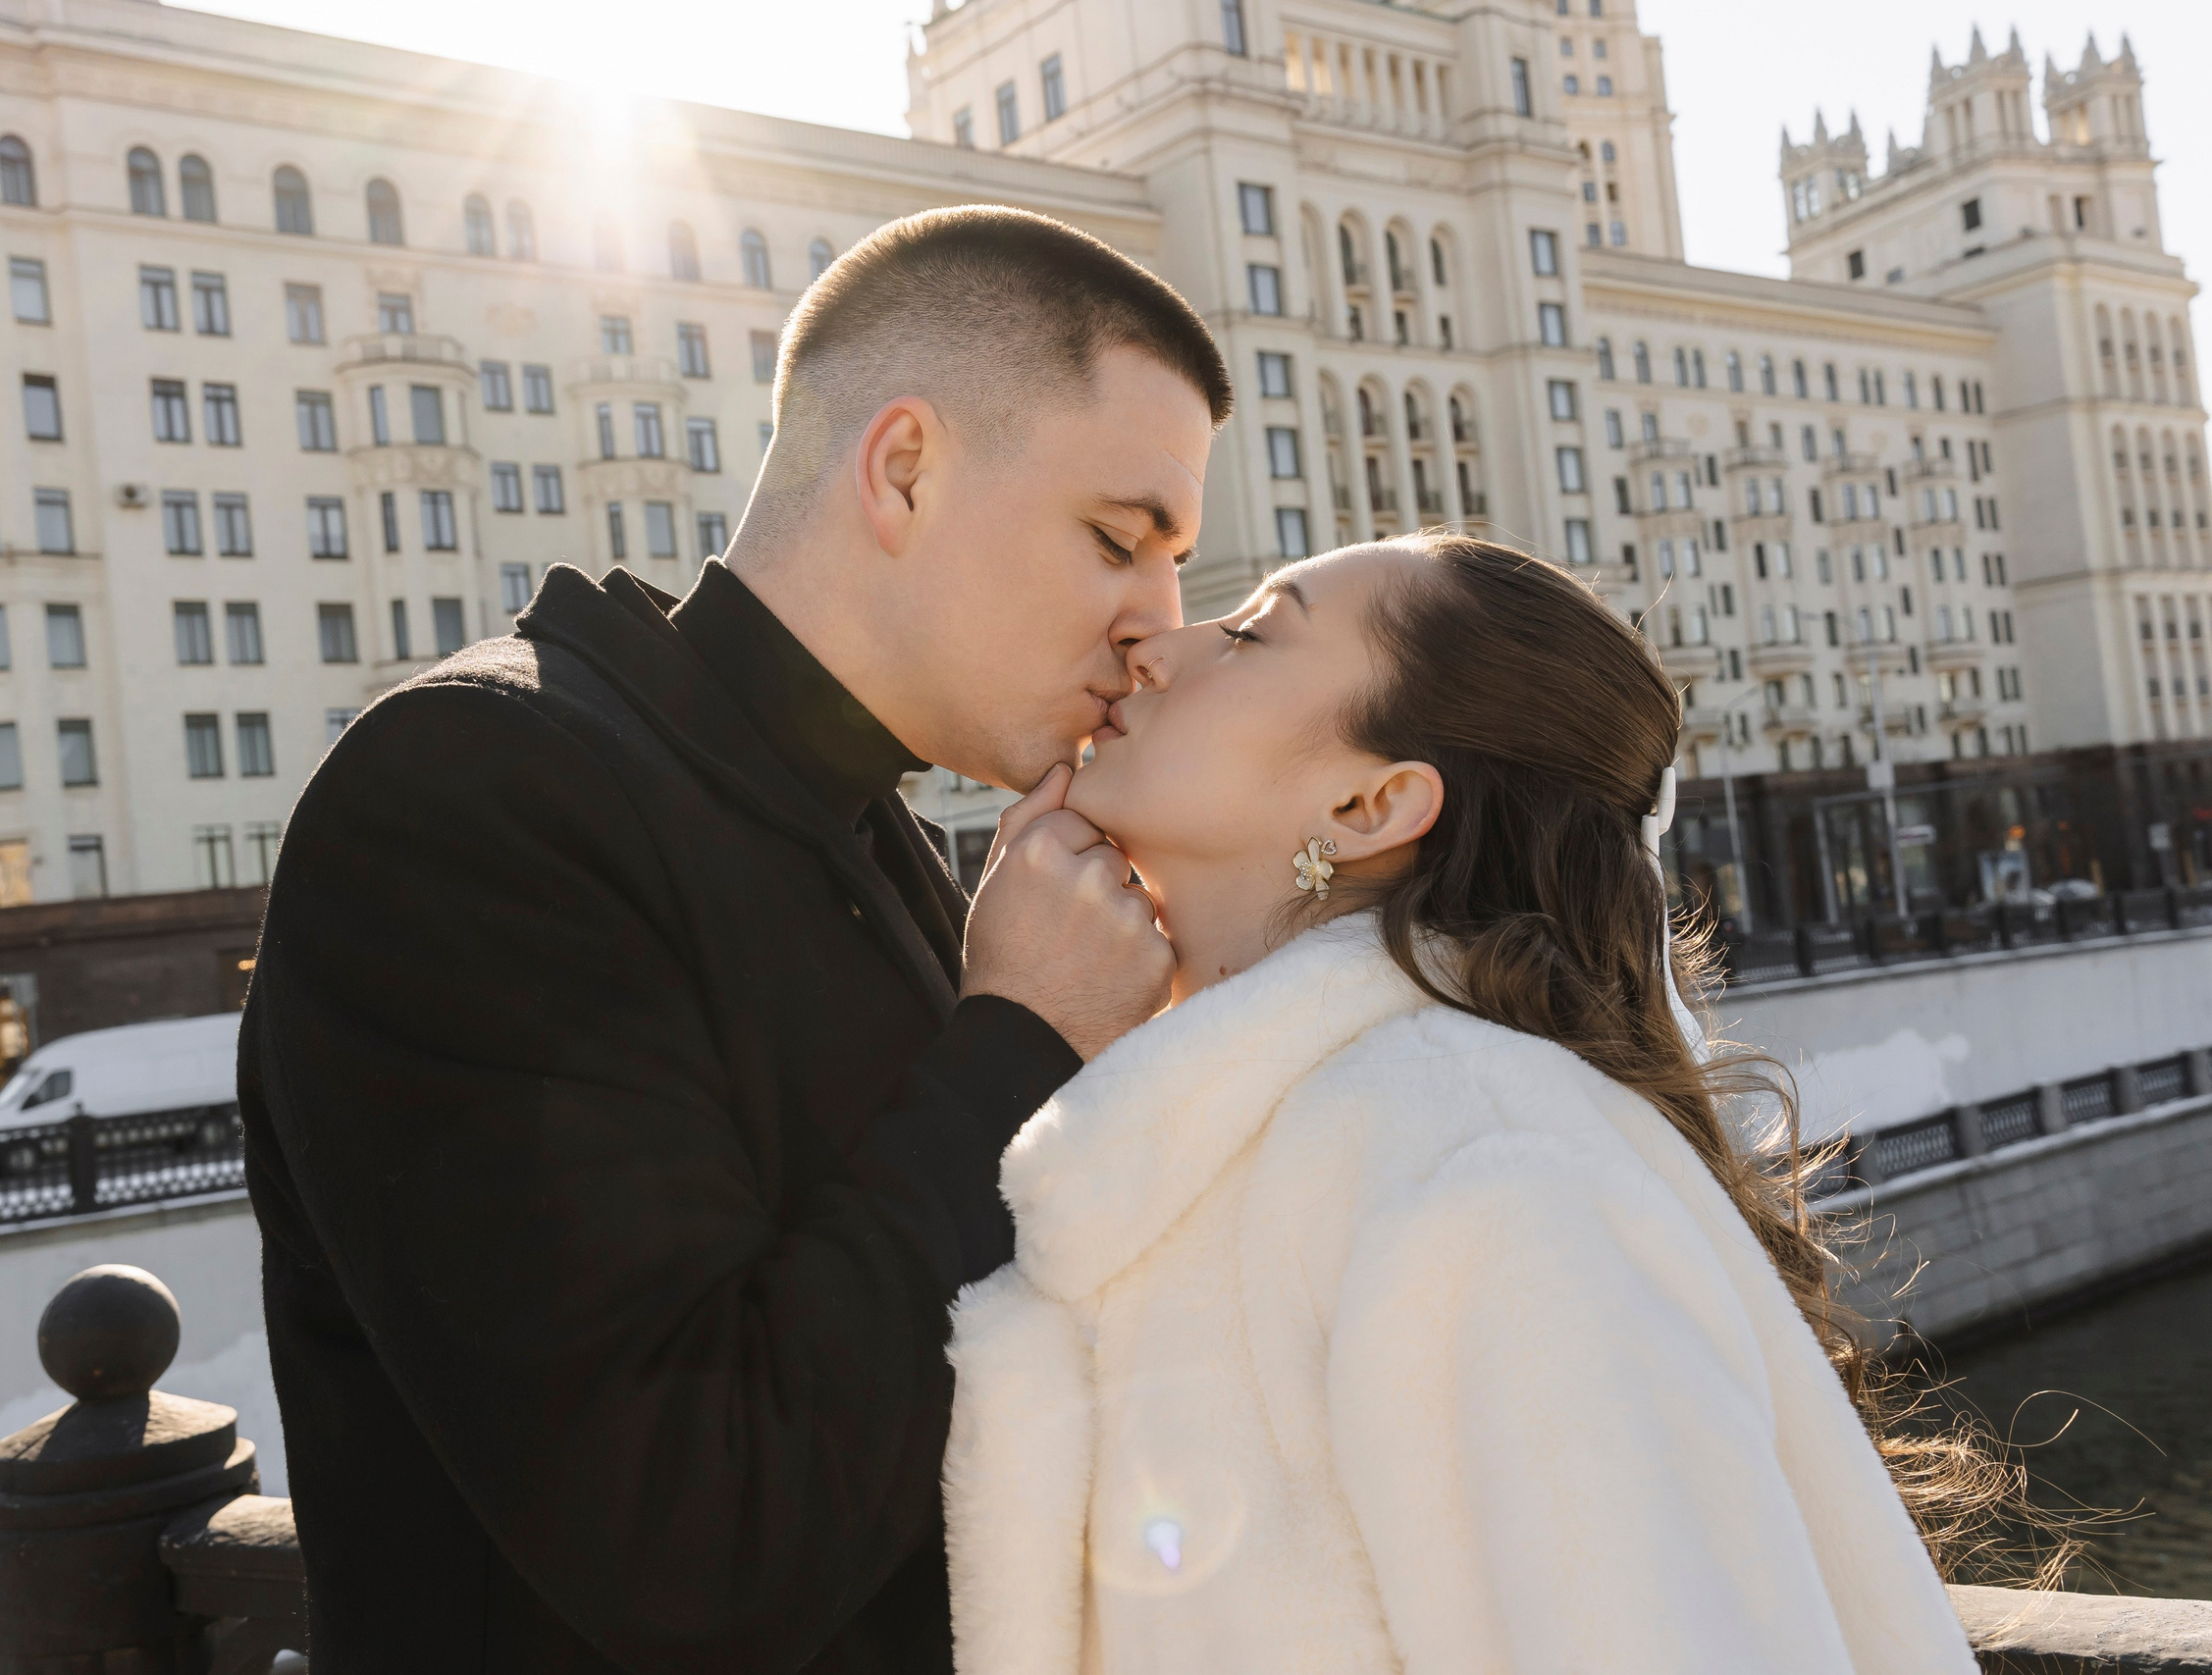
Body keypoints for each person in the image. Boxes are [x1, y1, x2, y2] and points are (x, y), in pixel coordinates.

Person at [237, 205, 1229, 1671]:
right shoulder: (471, 792)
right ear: (904, 466)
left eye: (1178, 564)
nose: (1161, 624)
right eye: (1117, 541)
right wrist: (1021, 1036)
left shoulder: (870, 820)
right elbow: (689, 1531)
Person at [942, 533, 1986, 1673]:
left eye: (1247, 634)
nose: (1154, 642)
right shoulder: (1223, 1136)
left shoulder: (1482, 1167)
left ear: (1369, 803)